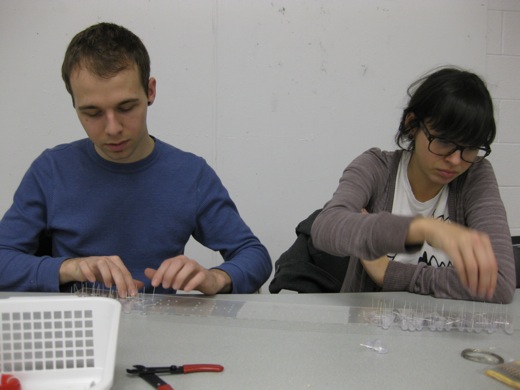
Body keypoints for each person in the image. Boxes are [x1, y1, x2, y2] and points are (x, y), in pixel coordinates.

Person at [0, 22, 272, 297]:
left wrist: (216, 278)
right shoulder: (51, 171)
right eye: (92, 113)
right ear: (74, 104)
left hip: (162, 329)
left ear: (150, 91)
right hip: (78, 330)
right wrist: (70, 268)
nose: (113, 128)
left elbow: (254, 255)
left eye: (126, 107)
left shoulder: (190, 174)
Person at [311, 67, 516, 303]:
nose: (455, 160)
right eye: (443, 141)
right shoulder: (377, 167)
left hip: (446, 333)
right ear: (412, 124)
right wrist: (420, 229)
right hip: (366, 332)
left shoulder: (475, 175)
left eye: (469, 147)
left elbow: (499, 283)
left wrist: (390, 273)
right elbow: (325, 227)